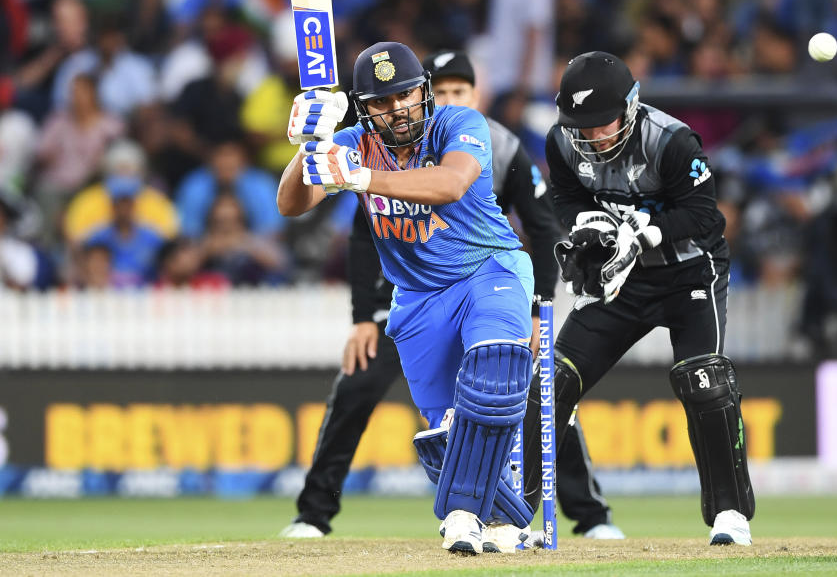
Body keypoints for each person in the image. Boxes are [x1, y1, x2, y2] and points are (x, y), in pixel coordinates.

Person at [281, 50, 623, 542]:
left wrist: (359, 177)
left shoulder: (459, 122)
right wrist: (307, 149)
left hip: (490, 271)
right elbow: (291, 204)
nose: (398, 108)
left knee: (497, 369)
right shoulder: (354, 142)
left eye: (405, 94)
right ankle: (507, 522)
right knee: (448, 434)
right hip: (417, 299)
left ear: (423, 89)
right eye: (382, 101)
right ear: (363, 108)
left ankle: (465, 514)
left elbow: (451, 182)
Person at [521, 51, 755, 546]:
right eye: (580, 126)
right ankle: (516, 511)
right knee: (550, 382)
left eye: (602, 124)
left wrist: (644, 231)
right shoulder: (563, 141)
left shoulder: (671, 141)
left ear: (630, 106)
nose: (593, 137)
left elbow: (706, 217)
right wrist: (591, 227)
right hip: (622, 280)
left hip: (690, 273)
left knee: (705, 382)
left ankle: (730, 516)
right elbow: (567, 198)